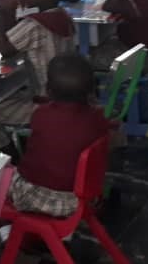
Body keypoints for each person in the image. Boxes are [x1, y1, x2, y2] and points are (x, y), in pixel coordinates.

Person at [0, 0, 79, 153]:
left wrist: (4, 13)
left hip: (49, 106)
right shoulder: (63, 16)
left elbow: (5, 50)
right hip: (70, 100)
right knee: (15, 95)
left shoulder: (35, 25)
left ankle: (14, 163)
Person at [9, 54, 111, 217]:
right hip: (84, 196)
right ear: (92, 89)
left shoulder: (41, 115)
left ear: (49, 90)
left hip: (41, 198)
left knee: (0, 175)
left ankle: (5, 229)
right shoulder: (98, 118)